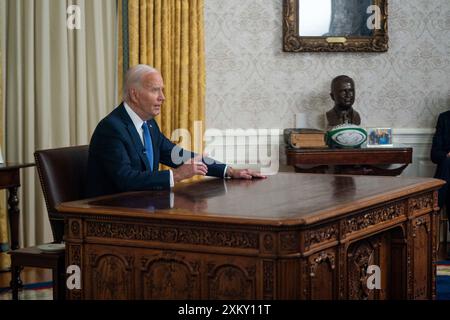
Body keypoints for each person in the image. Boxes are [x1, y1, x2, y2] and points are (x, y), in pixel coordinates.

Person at [86, 64, 266, 197]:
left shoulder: (148, 124)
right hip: (111, 214)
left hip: (142, 206)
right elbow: (126, 180)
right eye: (155, 90)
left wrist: (229, 171)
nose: (162, 98)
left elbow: (177, 155)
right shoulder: (111, 129)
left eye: (162, 90)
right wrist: (177, 175)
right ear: (134, 94)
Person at [431, 110, 450, 224]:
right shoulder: (444, 118)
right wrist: (447, 155)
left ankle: (435, 209)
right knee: (447, 163)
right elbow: (434, 155)